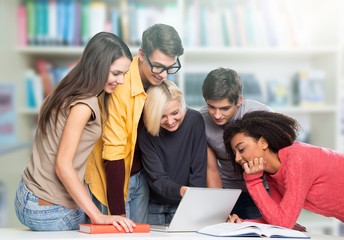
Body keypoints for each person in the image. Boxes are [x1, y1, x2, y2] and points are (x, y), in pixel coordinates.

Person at [14, 32, 136, 231]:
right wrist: (97, 216)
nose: (121, 80)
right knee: (112, 225)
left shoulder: (66, 87)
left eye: (124, 74)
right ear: (97, 66)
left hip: (26, 195)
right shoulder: (84, 104)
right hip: (46, 208)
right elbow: (62, 165)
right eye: (115, 73)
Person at [85, 24, 184, 223]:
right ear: (141, 54)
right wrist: (117, 213)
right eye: (158, 66)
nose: (164, 74)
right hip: (111, 179)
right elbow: (113, 153)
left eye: (170, 67)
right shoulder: (120, 87)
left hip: (140, 176)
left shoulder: (159, 81)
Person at [224, 110, 344, 229]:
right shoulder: (273, 174)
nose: (237, 159)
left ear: (263, 143)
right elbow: (276, 218)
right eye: (234, 153)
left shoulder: (296, 158)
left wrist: (253, 181)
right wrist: (243, 223)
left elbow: (283, 223)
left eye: (241, 149)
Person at [199, 67, 272, 219]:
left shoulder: (262, 115)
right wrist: (220, 210)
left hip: (263, 190)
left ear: (239, 100)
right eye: (211, 107)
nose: (217, 115)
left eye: (224, 108)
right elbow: (211, 170)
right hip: (227, 192)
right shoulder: (201, 121)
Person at [138, 79, 207, 224]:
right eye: (162, 116)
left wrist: (193, 200)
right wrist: (181, 190)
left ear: (182, 105)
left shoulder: (194, 121)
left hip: (185, 204)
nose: (170, 121)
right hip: (154, 205)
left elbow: (199, 170)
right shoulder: (146, 133)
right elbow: (157, 178)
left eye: (175, 113)